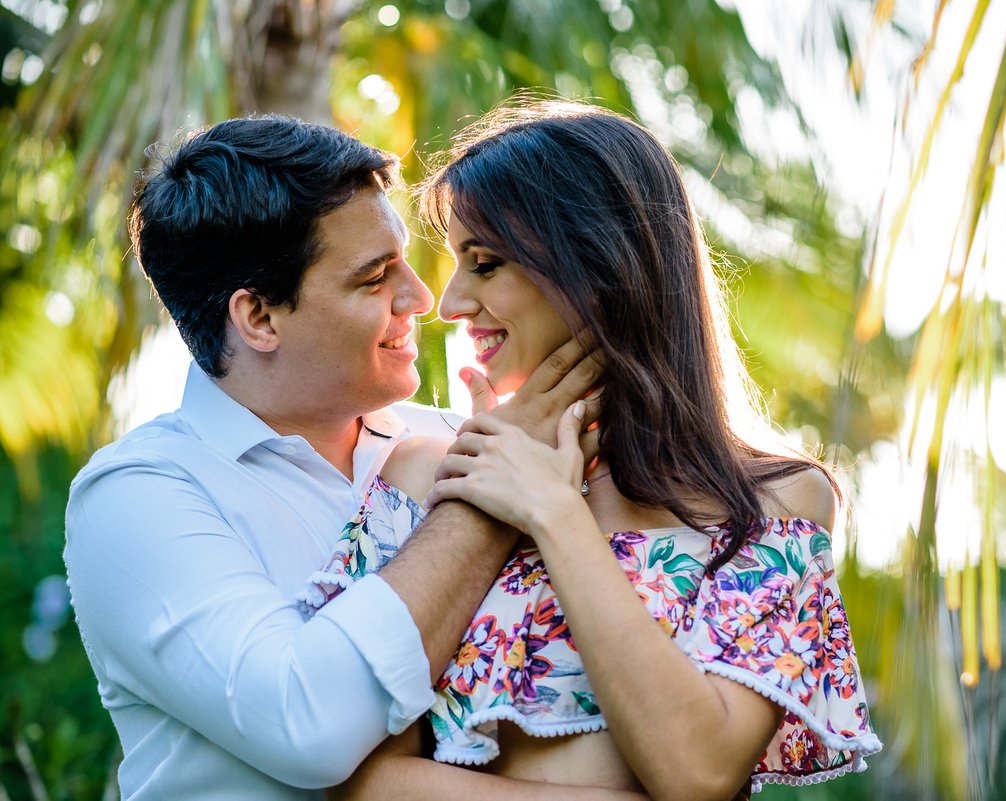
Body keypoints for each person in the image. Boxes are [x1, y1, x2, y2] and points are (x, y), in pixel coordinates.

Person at [311, 101, 881, 800]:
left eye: (486, 263)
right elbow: (349, 774)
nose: (451, 302)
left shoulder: (773, 502)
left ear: (599, 268)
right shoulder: (428, 477)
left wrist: (553, 511)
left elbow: (698, 770)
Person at [63, 115, 641, 800]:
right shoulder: (137, 497)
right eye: (374, 278)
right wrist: (487, 494)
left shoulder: (465, 434)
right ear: (260, 319)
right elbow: (307, 724)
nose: (423, 299)